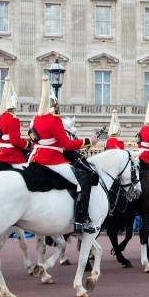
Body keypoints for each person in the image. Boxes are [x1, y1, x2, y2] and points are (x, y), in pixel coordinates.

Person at [28, 77, 99, 234]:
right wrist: (89, 141)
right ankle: (82, 220)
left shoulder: (35, 120)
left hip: (34, 159)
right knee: (84, 179)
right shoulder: (54, 121)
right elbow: (66, 144)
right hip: (52, 161)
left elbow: (33, 140)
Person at [0, 77, 30, 168]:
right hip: (11, 155)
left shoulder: (0, 118)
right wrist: (27, 144)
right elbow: (15, 141)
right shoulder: (14, 119)